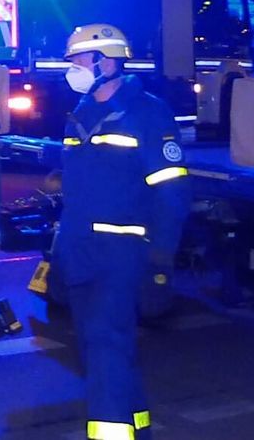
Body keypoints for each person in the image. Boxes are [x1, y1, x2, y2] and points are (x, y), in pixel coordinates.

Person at [53, 24, 192, 440]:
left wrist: (161, 261)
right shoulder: (80, 114)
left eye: (79, 60)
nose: (73, 68)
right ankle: (138, 431)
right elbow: (75, 193)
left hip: (122, 254)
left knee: (106, 353)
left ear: (106, 60)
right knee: (109, 353)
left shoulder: (149, 114)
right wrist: (59, 255)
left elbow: (172, 192)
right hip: (80, 253)